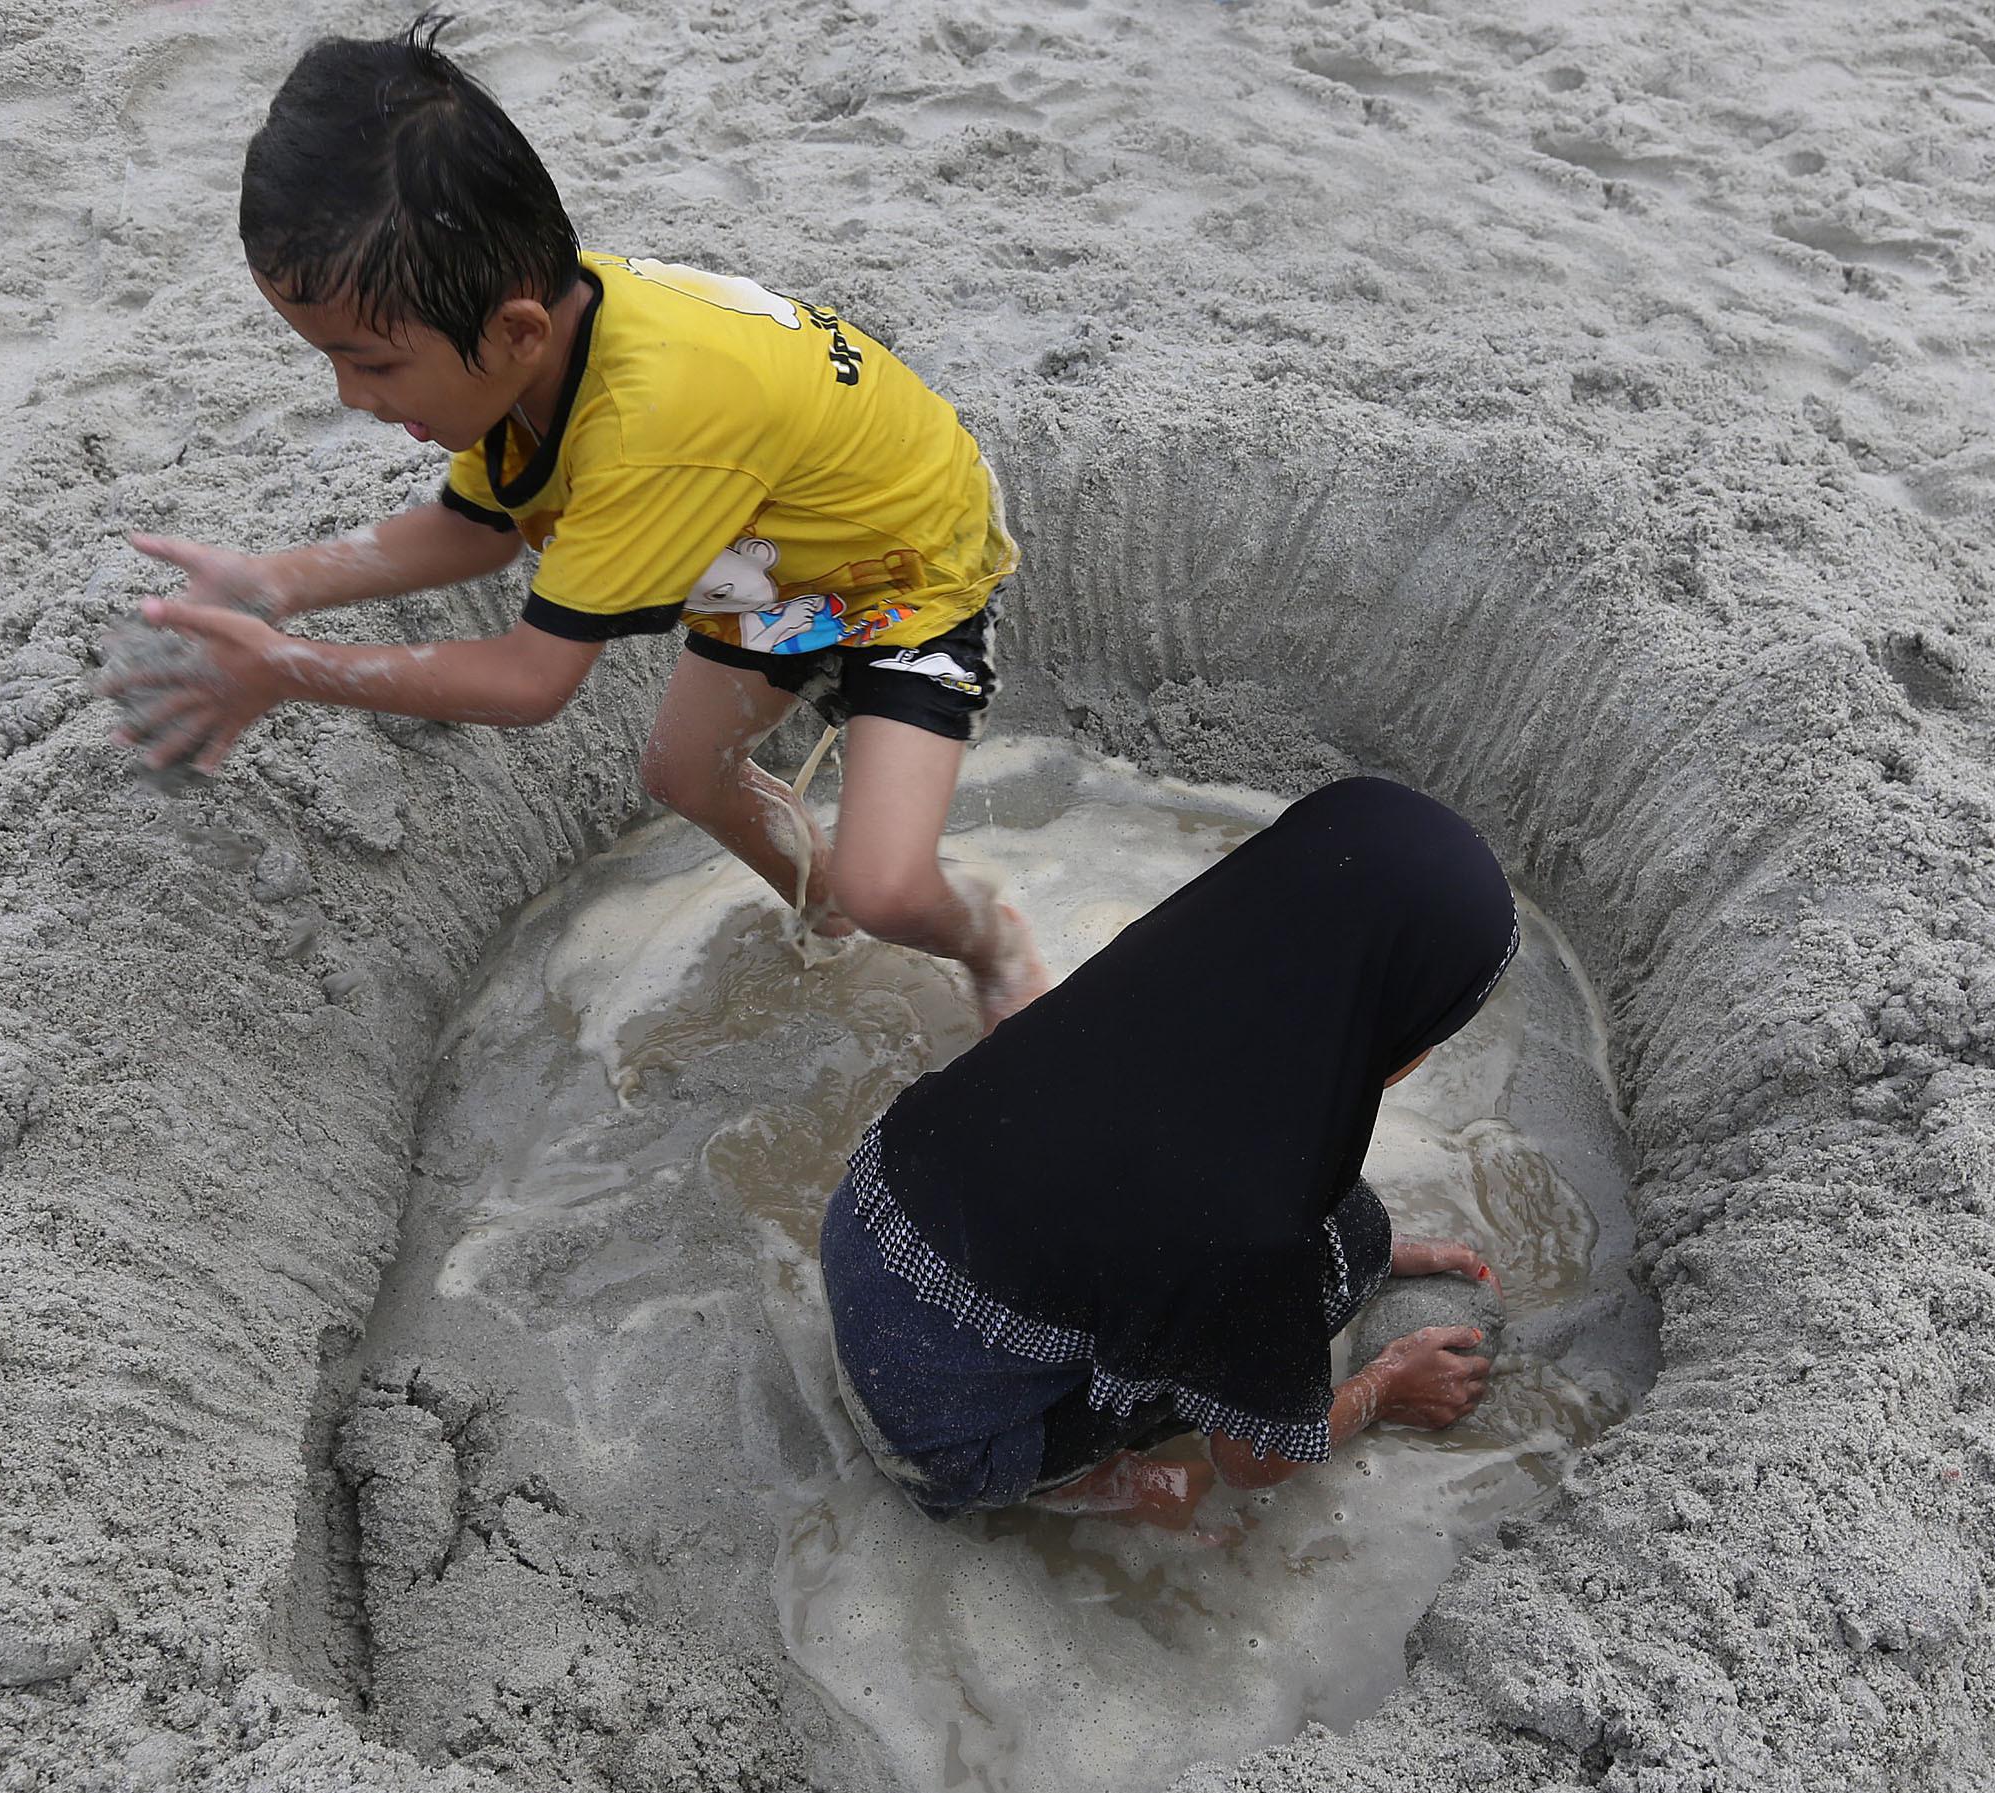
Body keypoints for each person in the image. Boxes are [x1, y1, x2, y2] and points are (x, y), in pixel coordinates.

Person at [97, 26, 1049, 1027]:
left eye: (373, 364)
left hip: (903, 565)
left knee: (889, 885)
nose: (350, 395)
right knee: (684, 774)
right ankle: (826, 918)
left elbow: (530, 681)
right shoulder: (532, 341)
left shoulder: (648, 431)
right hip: (777, 552)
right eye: (330, 359)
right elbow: (479, 529)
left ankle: (989, 941)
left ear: (517, 330)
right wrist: (277, 583)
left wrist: (289, 667)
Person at [821, 777, 1518, 1528]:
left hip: (863, 1235)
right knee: (1344, 1250)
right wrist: (1385, 1386)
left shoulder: (1158, 973)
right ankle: (1086, 1484)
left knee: (1343, 1232)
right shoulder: (1255, 1218)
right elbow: (1252, 1463)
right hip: (939, 1441)